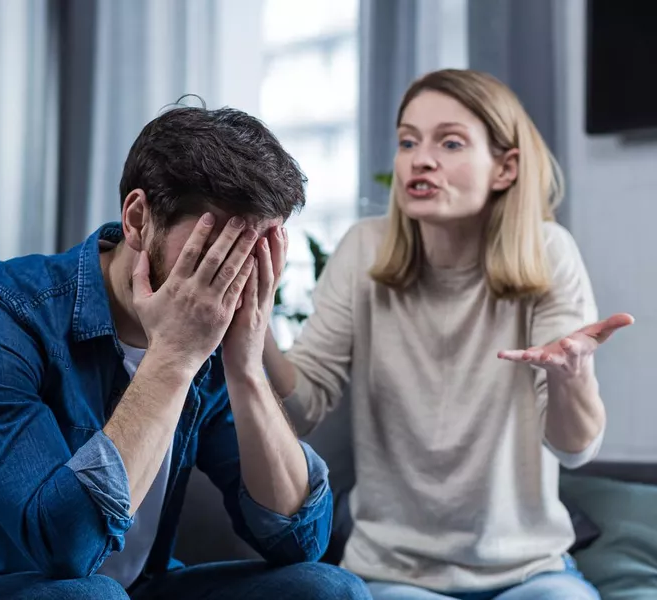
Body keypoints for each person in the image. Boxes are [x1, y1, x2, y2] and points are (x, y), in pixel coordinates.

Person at [0, 105, 371, 600]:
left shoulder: (216, 334)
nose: (232, 275)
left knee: (330, 588)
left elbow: (299, 542)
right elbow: (67, 550)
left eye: (256, 251)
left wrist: (246, 368)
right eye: (214, 249)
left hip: (131, 589)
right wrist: (173, 356)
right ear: (137, 218)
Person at [263, 69, 634, 600]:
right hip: (396, 574)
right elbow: (301, 407)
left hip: (532, 570)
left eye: (450, 142)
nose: (421, 158)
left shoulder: (549, 251)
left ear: (505, 168)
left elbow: (574, 450)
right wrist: (256, 333)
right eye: (407, 141)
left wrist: (572, 376)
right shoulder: (363, 250)